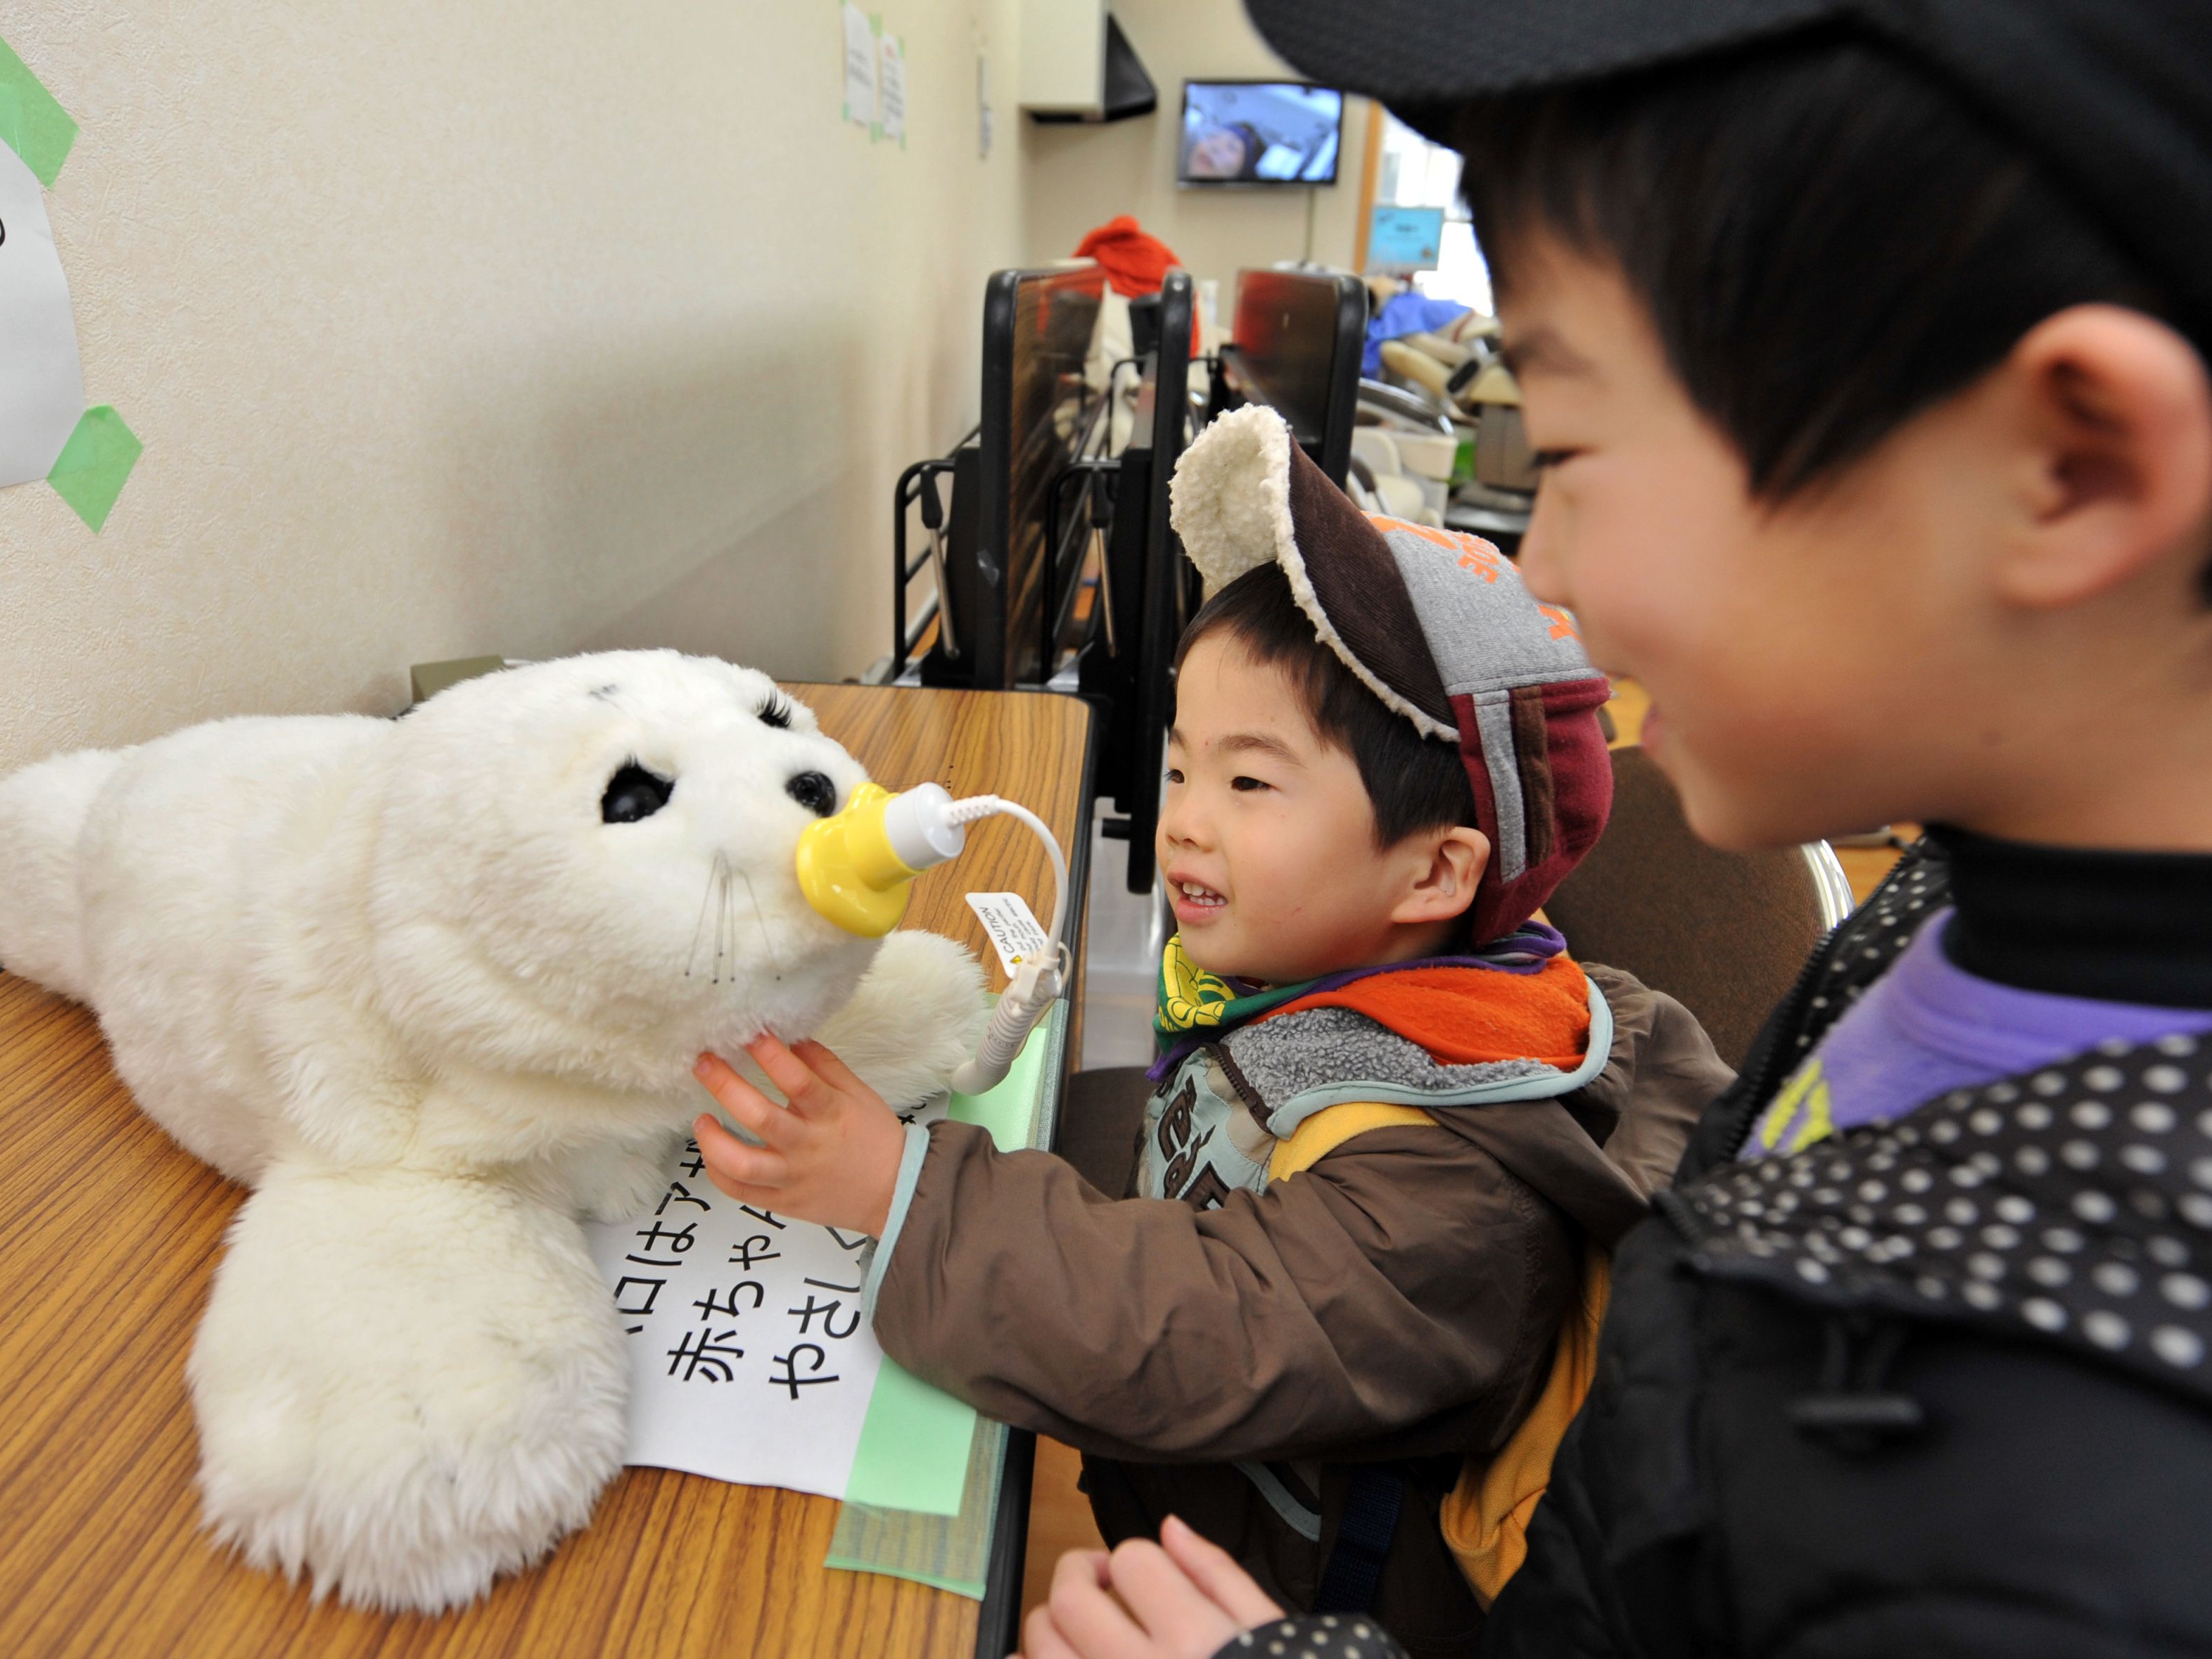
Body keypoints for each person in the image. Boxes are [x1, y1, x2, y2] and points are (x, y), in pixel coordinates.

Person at [1023, 0, 2212, 1652]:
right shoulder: (1950, 919)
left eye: (1570, 443)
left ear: (2066, 467)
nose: (1554, 570)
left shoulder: (2077, 1484)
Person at [694, 403, 1730, 1657]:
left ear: (1430, 873)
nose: (1185, 820)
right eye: (1181, 764)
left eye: (1249, 782)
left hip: (1288, 1598)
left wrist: (900, 1189)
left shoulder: (1450, 1177)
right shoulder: (1337, 973)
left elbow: (1205, 1328)